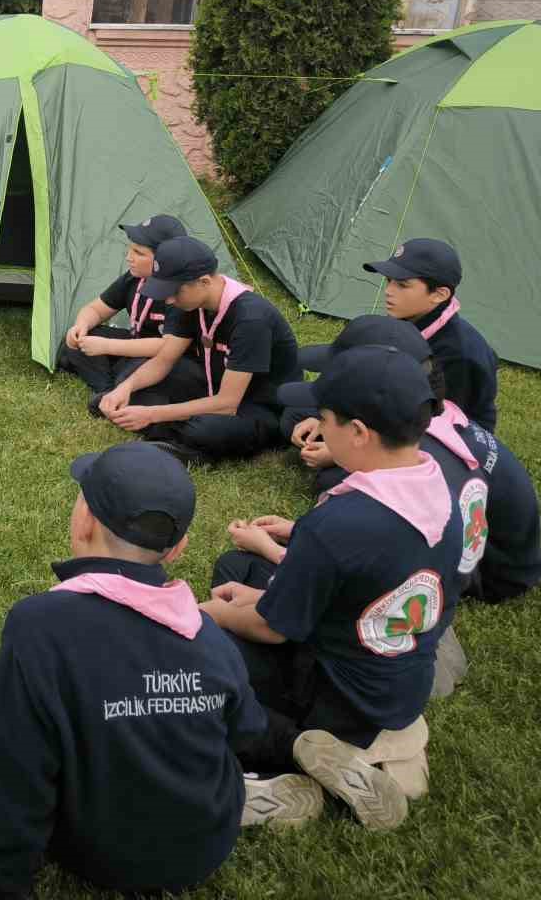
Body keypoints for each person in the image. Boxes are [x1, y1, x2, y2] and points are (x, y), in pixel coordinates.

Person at [0, 444, 268, 900]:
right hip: (207, 845)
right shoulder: (208, 636)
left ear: (84, 520)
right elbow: (246, 731)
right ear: (179, 548)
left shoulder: (39, 625)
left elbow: (17, 780)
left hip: (100, 853)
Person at [200, 346, 464, 829]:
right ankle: (393, 746)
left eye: (324, 419)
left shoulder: (342, 522)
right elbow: (354, 589)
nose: (318, 428)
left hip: (336, 694)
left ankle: (300, 755)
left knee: (198, 662)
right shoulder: (440, 490)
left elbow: (272, 629)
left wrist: (208, 617)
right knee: (241, 571)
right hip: (398, 684)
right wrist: (265, 598)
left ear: (359, 432)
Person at [277, 316, 541, 606]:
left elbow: (372, 564)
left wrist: (284, 548)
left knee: (336, 481)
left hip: (490, 574)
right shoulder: (429, 419)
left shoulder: (415, 475)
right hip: (493, 552)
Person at [97, 236, 301, 465]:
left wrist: (152, 413)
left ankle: (187, 446)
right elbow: (164, 360)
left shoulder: (251, 320)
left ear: (204, 282)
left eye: (174, 291)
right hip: (212, 385)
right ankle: (163, 425)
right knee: (133, 383)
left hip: (258, 406)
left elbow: (227, 403)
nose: (169, 300)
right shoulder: (192, 303)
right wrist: (125, 388)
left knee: (205, 430)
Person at [364, 238, 498, 430]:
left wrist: (341, 444)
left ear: (439, 294)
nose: (388, 291)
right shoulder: (408, 318)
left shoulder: (460, 355)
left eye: (402, 285)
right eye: (388, 280)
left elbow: (434, 425)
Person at [57, 213, 191, 396]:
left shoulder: (182, 293)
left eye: (139, 253)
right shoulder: (134, 278)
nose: (129, 257)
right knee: (80, 339)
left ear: (164, 259)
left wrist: (107, 346)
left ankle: (111, 385)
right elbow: (96, 309)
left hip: (163, 357)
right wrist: (81, 326)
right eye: (130, 250)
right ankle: (107, 389)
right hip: (133, 342)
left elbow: (167, 347)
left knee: (135, 371)